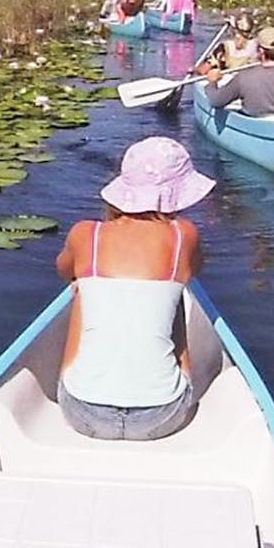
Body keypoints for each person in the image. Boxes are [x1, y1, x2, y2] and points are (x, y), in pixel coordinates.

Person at [53, 136, 213, 439]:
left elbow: (63, 270)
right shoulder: (183, 236)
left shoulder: (86, 233)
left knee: (80, 289)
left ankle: (85, 380)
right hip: (163, 415)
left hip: (81, 412)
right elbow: (196, 269)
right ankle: (176, 380)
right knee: (177, 291)